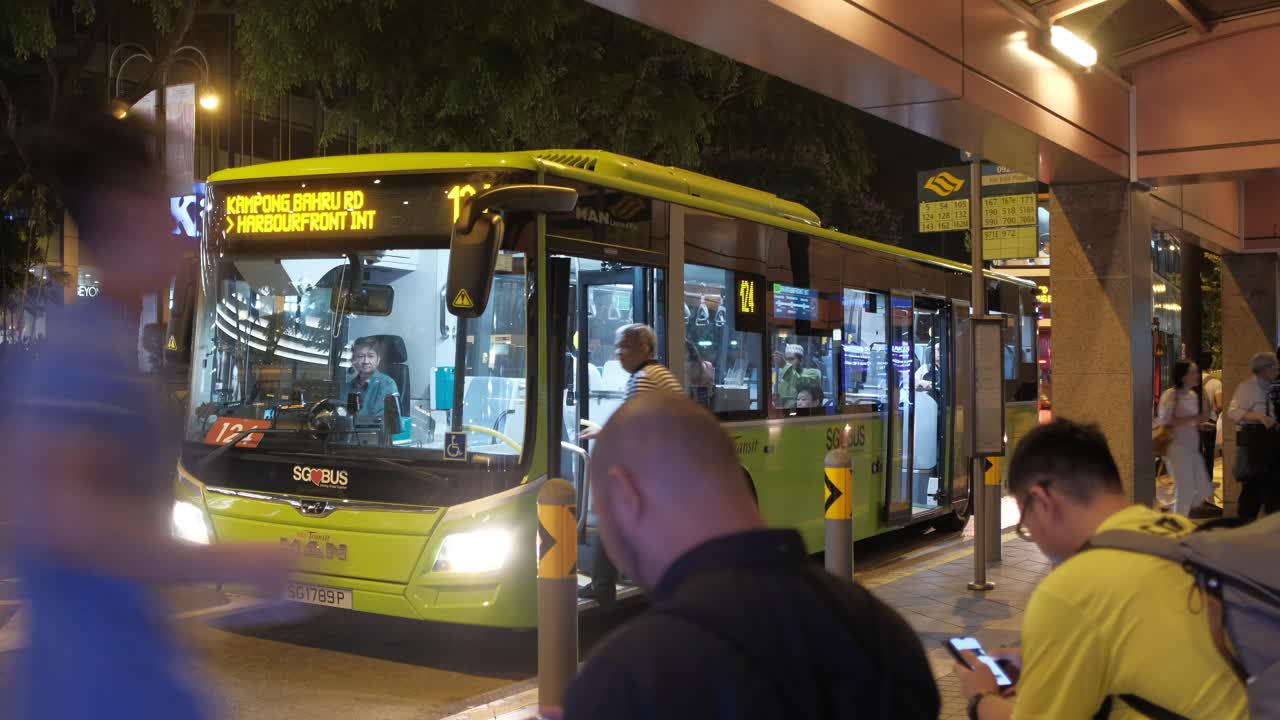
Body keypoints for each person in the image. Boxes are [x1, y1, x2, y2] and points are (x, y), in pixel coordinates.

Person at [0, 108, 290, 719]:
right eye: (163, 209)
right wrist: (232, 559)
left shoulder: (103, 346)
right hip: (95, 689)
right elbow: (68, 517)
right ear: (126, 217)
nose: (176, 229)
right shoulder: (81, 358)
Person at [559, 393, 940, 719]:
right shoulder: (884, 636)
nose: (611, 550)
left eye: (601, 515)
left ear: (626, 496)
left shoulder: (625, 679)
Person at [955, 420, 1248, 720]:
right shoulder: (1183, 534)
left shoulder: (1070, 590)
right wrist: (1039, 660)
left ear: (1043, 501)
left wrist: (981, 696)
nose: (1031, 533)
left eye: (1024, 523)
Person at [578, 323, 681, 602]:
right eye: (617, 346)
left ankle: (602, 588)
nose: (618, 353)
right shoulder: (658, 374)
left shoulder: (644, 378)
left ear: (645, 349)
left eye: (625, 346)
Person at [1227, 351, 1280, 520]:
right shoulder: (1247, 387)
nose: (1277, 371)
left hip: (1269, 442)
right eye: (1274, 367)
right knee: (1252, 485)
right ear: (1264, 370)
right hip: (1254, 444)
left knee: (1270, 485)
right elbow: (1233, 411)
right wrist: (1259, 417)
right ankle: (1245, 524)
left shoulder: (1270, 387)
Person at [1156, 360, 1213, 515]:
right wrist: (1193, 418)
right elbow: (1165, 420)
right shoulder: (1171, 395)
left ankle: (1174, 515)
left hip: (1192, 448)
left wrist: (1200, 425)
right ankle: (1178, 525)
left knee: (1203, 489)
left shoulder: (1193, 395)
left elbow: (1189, 421)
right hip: (1176, 447)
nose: (1197, 375)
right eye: (1193, 372)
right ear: (1182, 376)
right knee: (1185, 489)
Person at [339, 336, 400, 417]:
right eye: (360, 356)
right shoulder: (347, 387)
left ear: (378, 360)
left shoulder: (387, 384)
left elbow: (381, 421)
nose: (366, 361)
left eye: (371, 356)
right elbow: (339, 414)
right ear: (353, 360)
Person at [772, 343, 820, 409]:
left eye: (791, 359)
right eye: (786, 360)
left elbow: (798, 380)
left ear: (801, 360)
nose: (788, 363)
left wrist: (784, 364)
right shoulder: (783, 382)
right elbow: (782, 405)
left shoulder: (814, 373)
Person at [1199, 352, 1223, 475]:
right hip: (1210, 422)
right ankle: (1207, 481)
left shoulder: (1192, 381)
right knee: (1209, 453)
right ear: (1210, 363)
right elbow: (1220, 405)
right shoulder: (1216, 383)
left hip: (1194, 422)